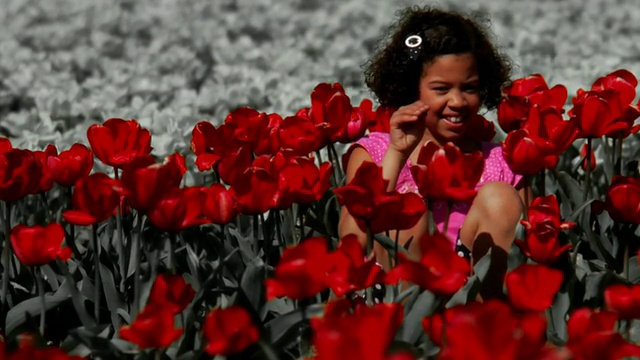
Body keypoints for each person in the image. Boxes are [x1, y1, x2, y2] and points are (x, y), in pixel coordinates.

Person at [338, 5, 529, 300]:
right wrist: (398, 153)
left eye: (469, 88)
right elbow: (354, 235)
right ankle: (408, 329)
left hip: (474, 303)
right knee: (404, 208)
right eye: (441, 89)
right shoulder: (375, 151)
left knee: (500, 198)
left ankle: (488, 325)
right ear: (411, 87)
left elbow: (525, 253)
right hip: (398, 300)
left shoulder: (501, 163)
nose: (457, 101)